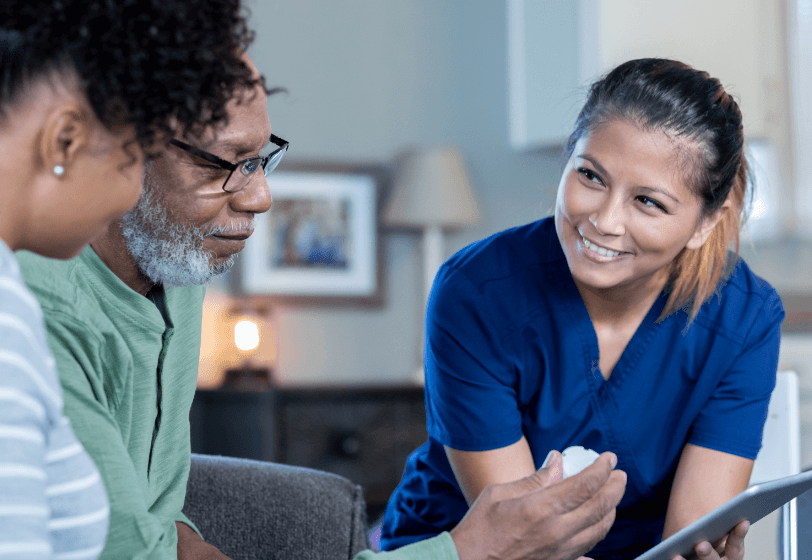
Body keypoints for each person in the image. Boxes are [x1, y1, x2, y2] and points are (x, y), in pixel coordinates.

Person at [16, 42, 627, 558]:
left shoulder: (177, 269)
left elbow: (163, 524)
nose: (259, 197)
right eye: (227, 164)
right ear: (119, 147)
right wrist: (468, 551)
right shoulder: (36, 316)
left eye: (261, 160)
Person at [381, 58, 783, 560]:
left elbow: (687, 540)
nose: (604, 221)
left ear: (705, 223)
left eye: (648, 202)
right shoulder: (476, 293)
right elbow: (524, 539)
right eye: (591, 176)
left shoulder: (744, 318)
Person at [0, 0, 270, 558]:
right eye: (131, 154)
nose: (131, 192)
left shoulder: (176, 270)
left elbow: (158, 526)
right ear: (66, 141)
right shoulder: (18, 313)